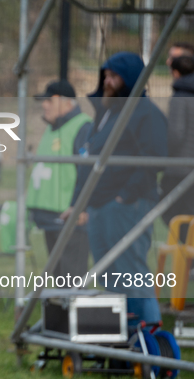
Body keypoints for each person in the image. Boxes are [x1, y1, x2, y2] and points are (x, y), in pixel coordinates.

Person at [62, 52, 168, 325]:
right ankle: (120, 334)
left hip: (127, 206)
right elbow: (89, 158)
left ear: (131, 78)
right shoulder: (105, 112)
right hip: (98, 206)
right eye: (105, 75)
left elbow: (153, 159)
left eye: (114, 76)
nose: (107, 82)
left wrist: (124, 197)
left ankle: (149, 337)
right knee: (107, 273)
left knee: (130, 270)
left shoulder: (147, 114)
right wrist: (79, 202)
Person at [27, 80, 91, 282]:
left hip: (70, 216)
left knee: (72, 277)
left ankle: (74, 314)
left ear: (66, 102)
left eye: (49, 100)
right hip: (49, 216)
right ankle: (59, 314)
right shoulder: (52, 128)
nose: (44, 105)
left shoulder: (82, 127)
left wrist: (80, 206)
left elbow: (88, 171)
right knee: (57, 277)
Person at [160, 55, 194, 243]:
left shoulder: (180, 97)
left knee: (170, 211)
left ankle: (189, 262)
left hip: (179, 168)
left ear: (175, 73)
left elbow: (175, 134)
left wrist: (165, 155)